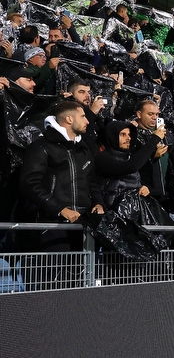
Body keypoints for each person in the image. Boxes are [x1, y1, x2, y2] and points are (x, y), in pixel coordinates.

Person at [19, 101, 104, 288]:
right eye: (83, 116)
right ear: (69, 118)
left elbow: (92, 183)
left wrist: (98, 203)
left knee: (77, 294)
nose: (87, 121)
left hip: (82, 230)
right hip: (50, 230)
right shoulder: (41, 147)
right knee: (47, 291)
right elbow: (29, 183)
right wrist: (60, 209)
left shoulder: (83, 149)